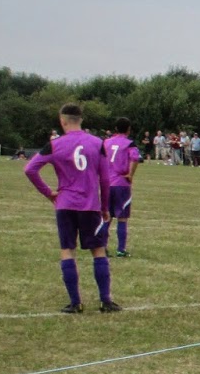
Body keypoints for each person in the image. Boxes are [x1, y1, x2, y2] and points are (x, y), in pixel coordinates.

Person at [23, 103, 121, 313]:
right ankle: (105, 300)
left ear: (62, 120)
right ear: (81, 120)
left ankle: (75, 303)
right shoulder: (97, 143)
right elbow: (104, 179)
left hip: (65, 204)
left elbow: (30, 169)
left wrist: (49, 193)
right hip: (90, 206)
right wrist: (104, 207)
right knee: (98, 250)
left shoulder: (55, 144)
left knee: (67, 250)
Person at [102, 118, 142, 257]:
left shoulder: (106, 142)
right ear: (128, 129)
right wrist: (130, 174)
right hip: (121, 183)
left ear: (115, 128)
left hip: (107, 182)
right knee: (122, 217)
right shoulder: (129, 143)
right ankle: (120, 249)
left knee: (106, 216)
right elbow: (135, 158)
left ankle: (102, 247)